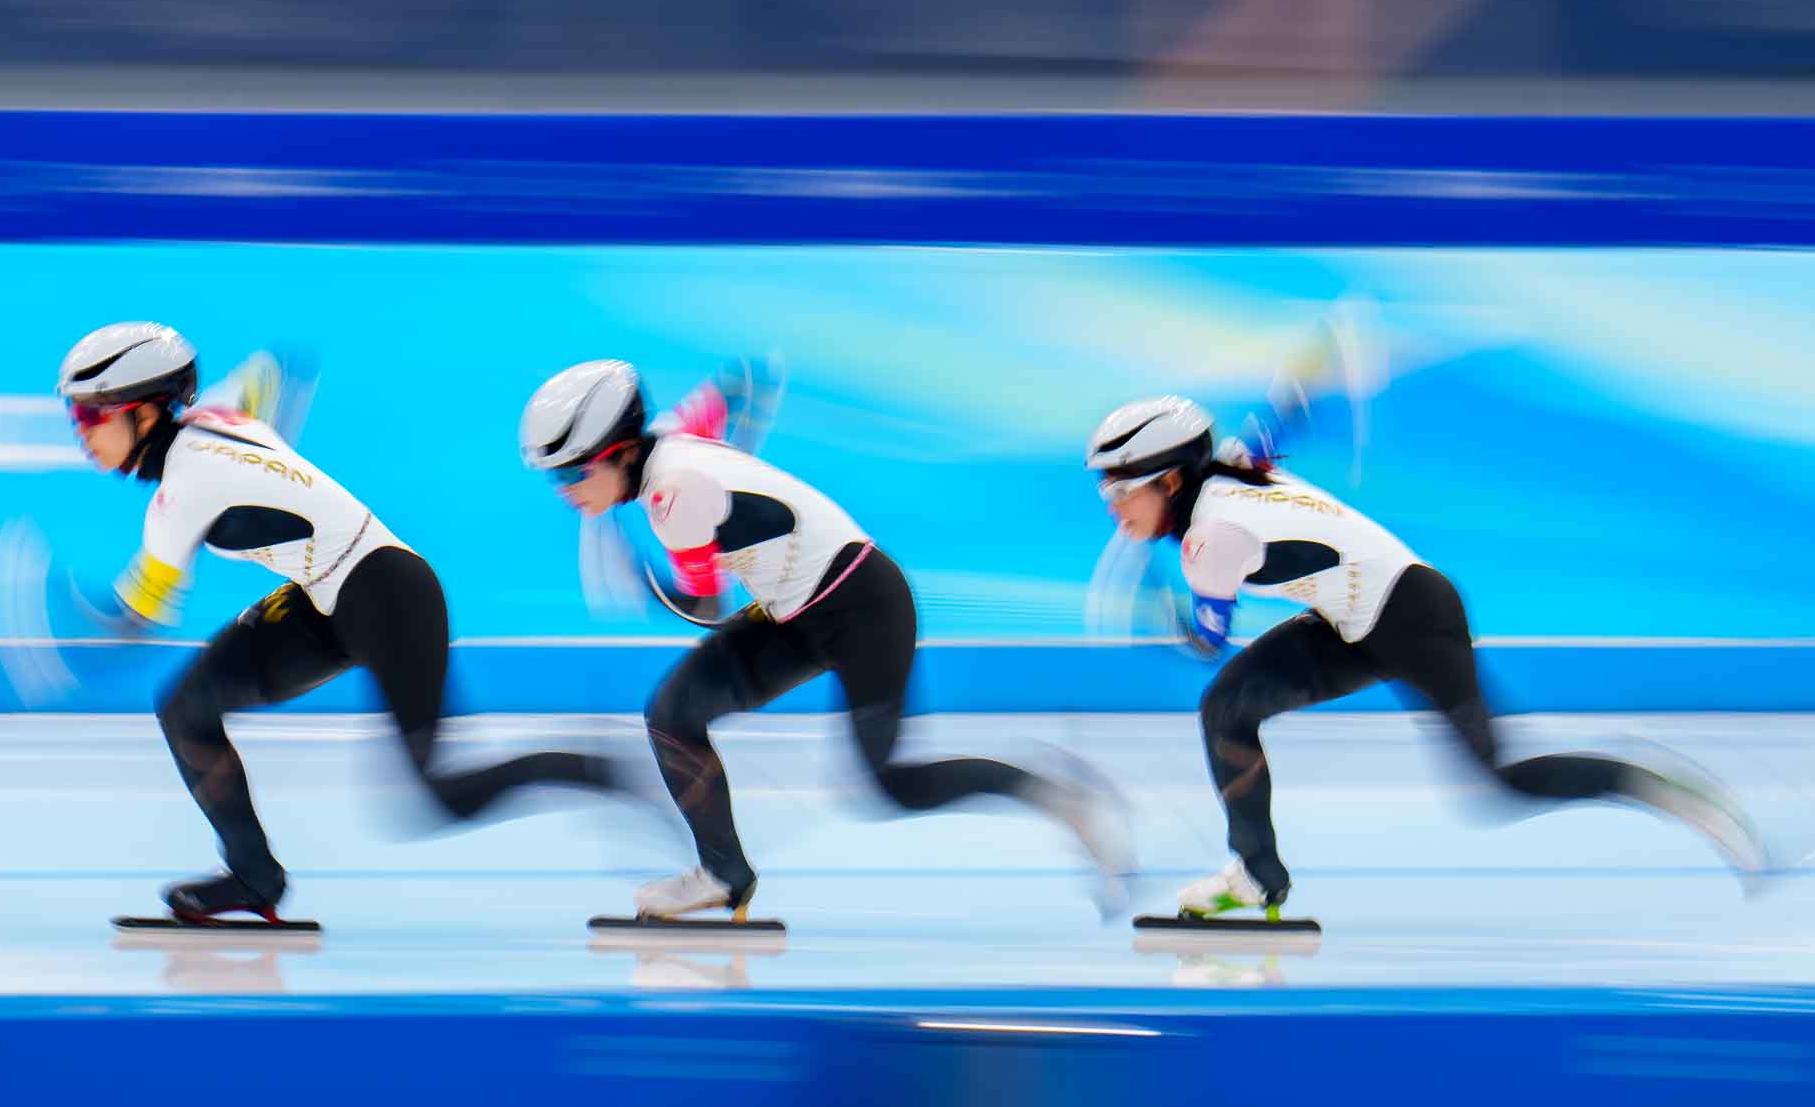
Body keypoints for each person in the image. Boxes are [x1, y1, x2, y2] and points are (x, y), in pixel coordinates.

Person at [1084, 391, 1769, 919]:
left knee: (1503, 781)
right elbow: (1271, 429)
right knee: (1227, 709)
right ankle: (1257, 877)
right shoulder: (1228, 466)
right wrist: (1302, 391)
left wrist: (1158, 612)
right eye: (1103, 492)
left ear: (1172, 481)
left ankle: (1658, 786)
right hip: (1353, 617)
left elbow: (1207, 642)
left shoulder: (1212, 540)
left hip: (1415, 616)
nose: (1112, 509)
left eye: (1120, 490)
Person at [520, 358, 1131, 920]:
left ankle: (1052, 793)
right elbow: (740, 386)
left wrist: (647, 583)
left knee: (892, 785)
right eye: (554, 480)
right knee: (672, 714)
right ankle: (722, 873)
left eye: (574, 472)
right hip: (796, 610)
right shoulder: (676, 434)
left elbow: (704, 606)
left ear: (623, 451)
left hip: (865, 606)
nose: (567, 491)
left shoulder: (671, 496)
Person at [55, 321, 622, 924]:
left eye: (92, 417)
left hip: (391, 595)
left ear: (144, 415)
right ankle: (255, 876)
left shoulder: (184, 489)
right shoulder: (211, 415)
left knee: (436, 796)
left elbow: (136, 618)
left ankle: (585, 764)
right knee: (186, 709)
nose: (81, 434)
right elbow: (271, 374)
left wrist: (61, 638)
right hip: (326, 596)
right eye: (74, 417)